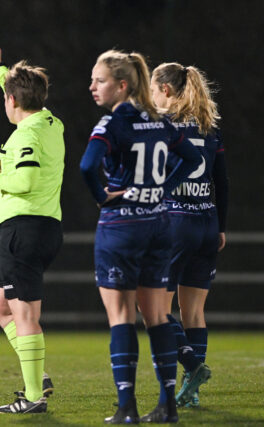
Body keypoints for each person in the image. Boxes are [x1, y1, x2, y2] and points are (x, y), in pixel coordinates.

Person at [79, 50, 202, 424]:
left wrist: (103, 197)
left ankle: (126, 408)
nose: (92, 87)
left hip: (121, 229)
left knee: (120, 317)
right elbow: (194, 161)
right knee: (158, 317)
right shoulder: (161, 122)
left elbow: (87, 166)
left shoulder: (112, 124)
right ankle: (168, 405)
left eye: (99, 81)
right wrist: (162, 188)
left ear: (122, 85)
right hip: (159, 225)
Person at [0, 43, 64, 414]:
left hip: (24, 230)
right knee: (0, 304)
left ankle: (32, 397)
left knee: (25, 314)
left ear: (12, 100)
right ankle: (37, 376)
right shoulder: (50, 121)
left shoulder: (25, 135)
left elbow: (25, 180)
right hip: (42, 227)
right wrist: (0, 67)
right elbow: (21, 93)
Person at [150, 62, 227, 408]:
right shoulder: (209, 127)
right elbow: (221, 182)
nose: (150, 98)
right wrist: (221, 226)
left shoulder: (163, 127)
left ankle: (189, 371)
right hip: (207, 223)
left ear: (165, 90)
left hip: (175, 223)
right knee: (193, 313)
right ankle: (190, 393)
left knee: (156, 310)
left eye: (152, 90)